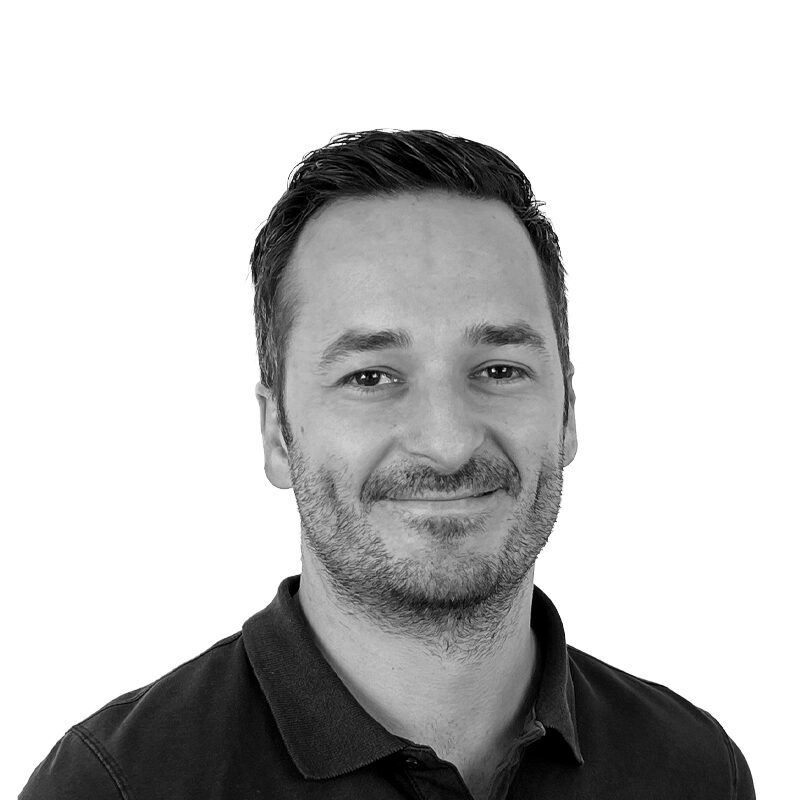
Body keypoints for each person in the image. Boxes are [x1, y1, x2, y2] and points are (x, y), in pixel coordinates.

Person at [20, 129, 756, 800]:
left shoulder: (693, 768)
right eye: (371, 376)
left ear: (567, 415)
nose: (447, 442)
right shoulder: (116, 786)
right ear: (277, 431)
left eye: (498, 369)